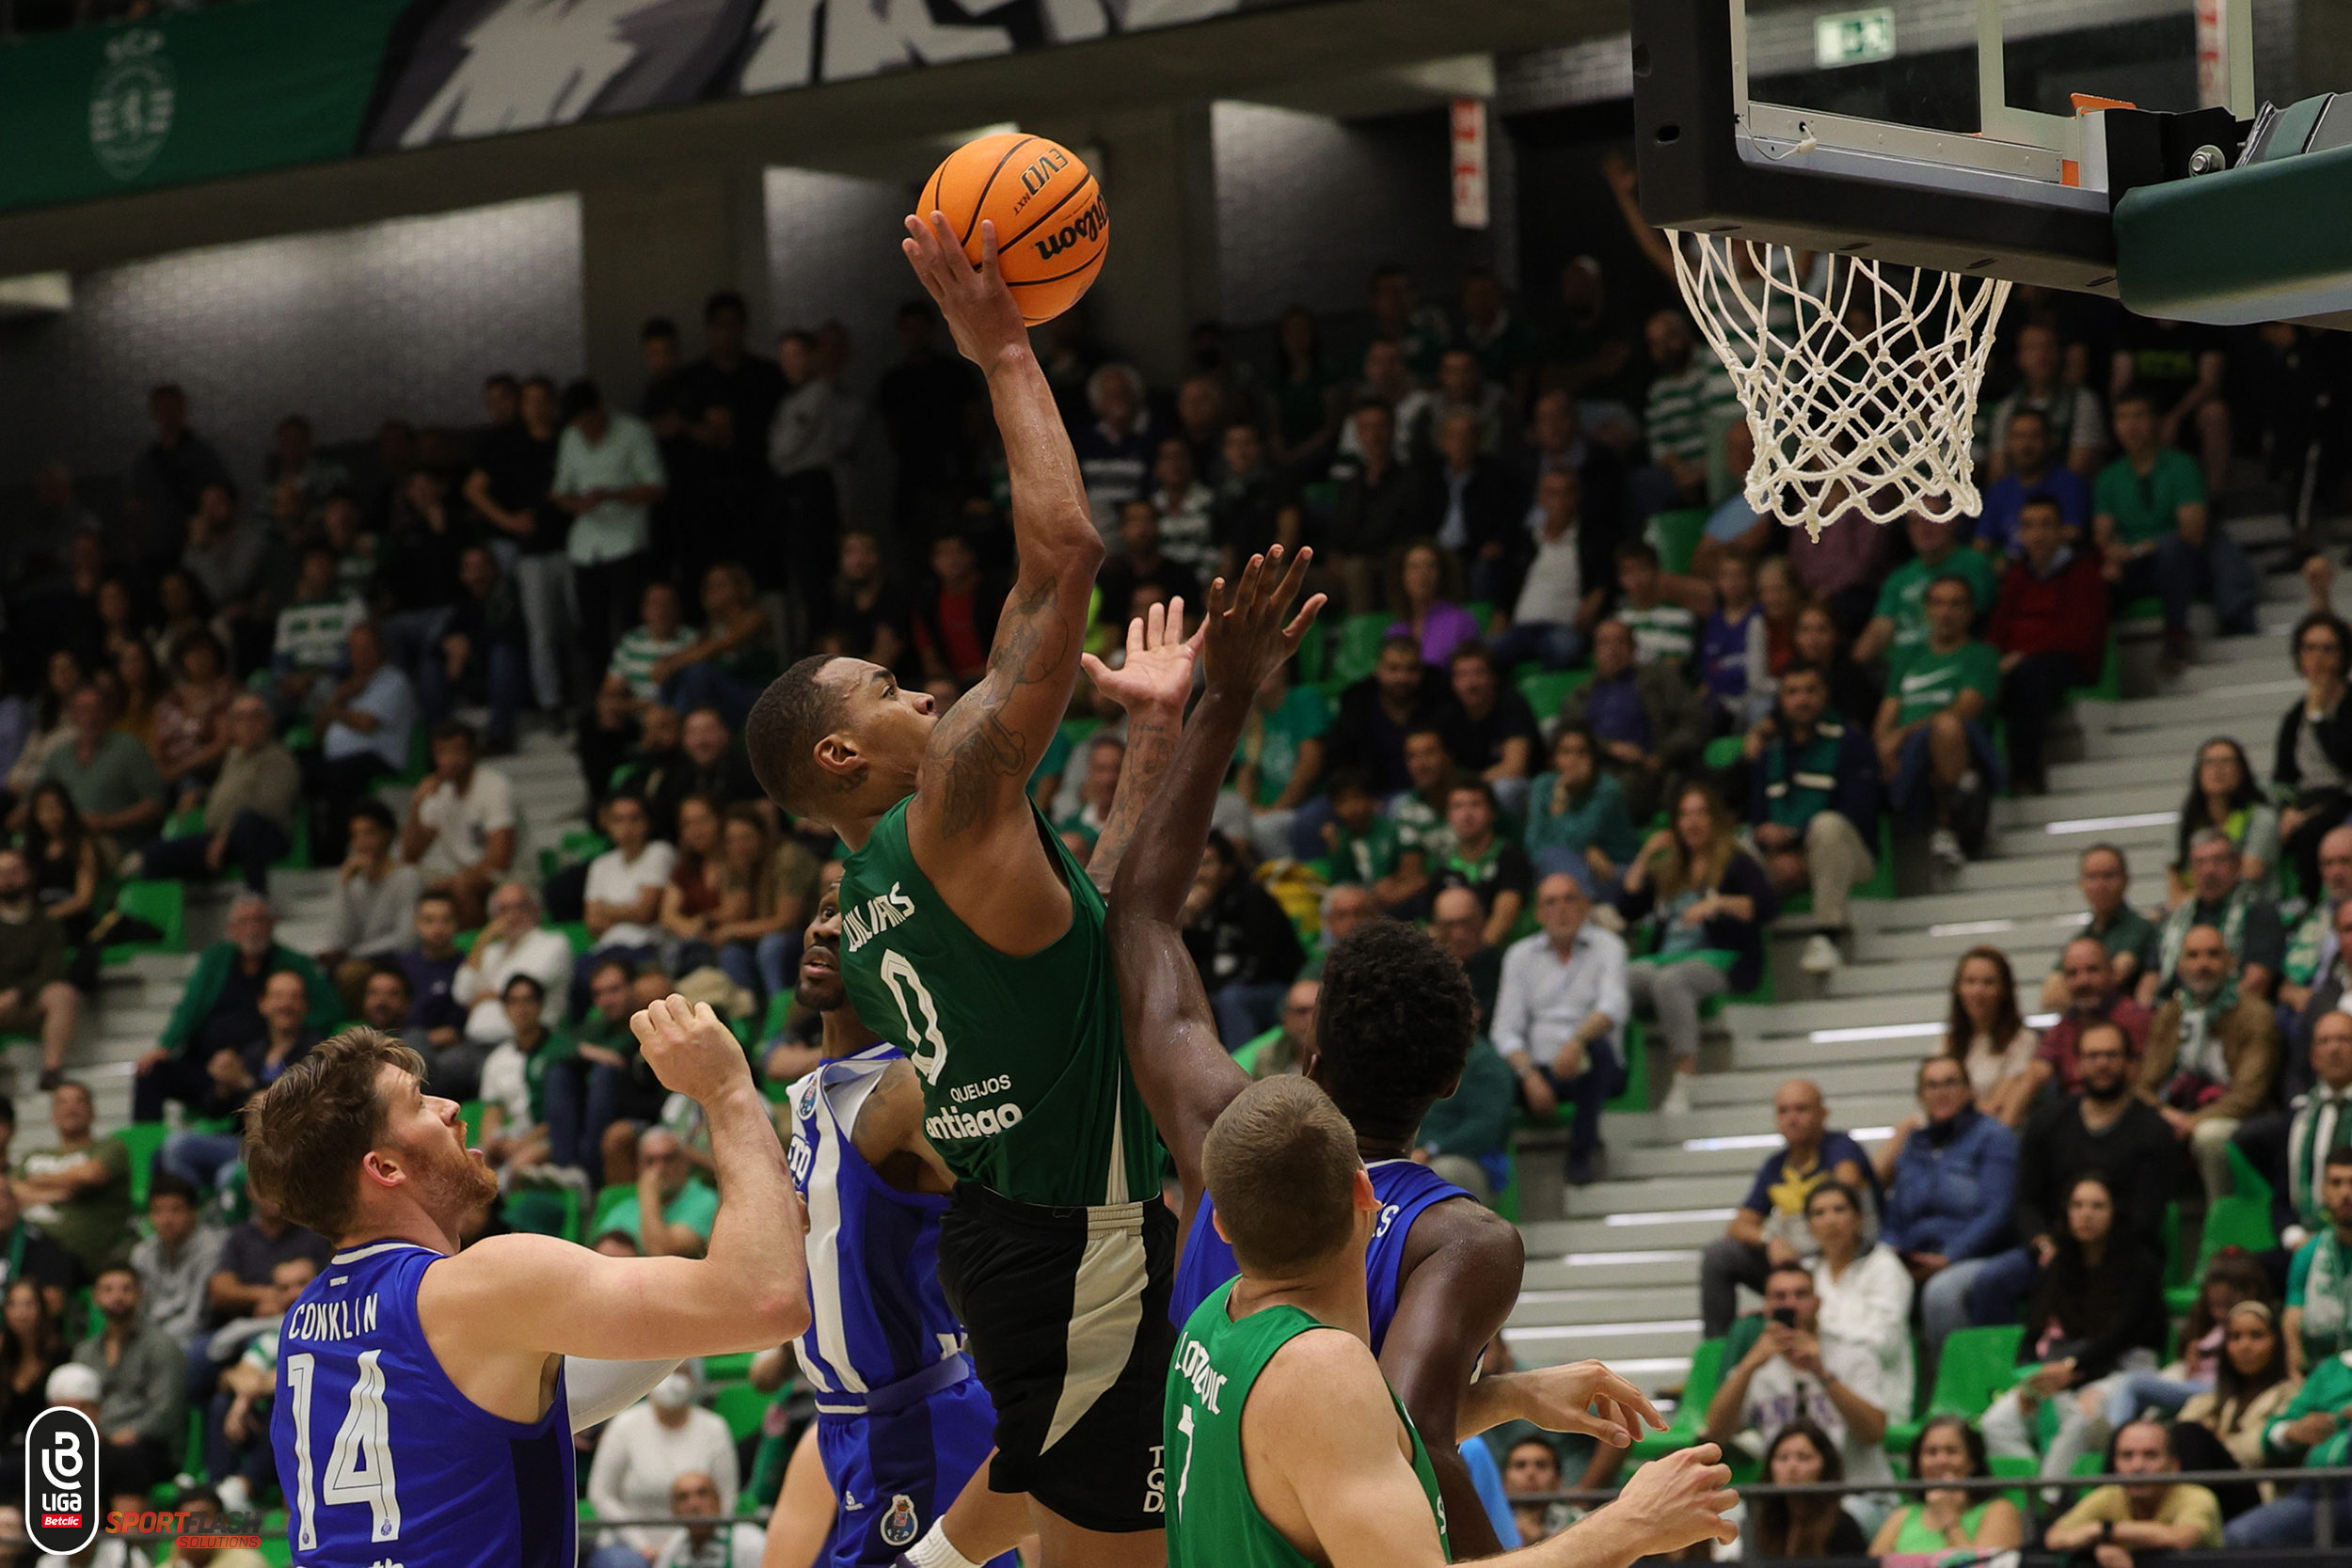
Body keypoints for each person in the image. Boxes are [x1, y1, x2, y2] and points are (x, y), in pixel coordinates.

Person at [742, 214, 1199, 1565]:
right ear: (843, 753)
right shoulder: (943, 804)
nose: (923, 688)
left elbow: (1093, 941)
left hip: (1022, 1239)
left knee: (1052, 1526)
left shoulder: (878, 908)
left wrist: (1154, 741)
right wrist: (1000, 344)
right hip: (1073, 1242)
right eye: (886, 691)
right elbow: (1061, 557)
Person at [1106, 557, 1628, 1560]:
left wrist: (1225, 697)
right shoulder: (1462, 1239)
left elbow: (1140, 914)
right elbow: (1404, 1428)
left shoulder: (1228, 1142)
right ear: (1448, 1079)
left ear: (1311, 1046)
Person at [252, 990, 805, 1565]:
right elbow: (766, 1301)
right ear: (385, 1168)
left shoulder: (305, 1325)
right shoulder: (482, 1286)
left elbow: (508, 1422)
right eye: (418, 1103)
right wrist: (727, 1090)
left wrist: (752, 1243)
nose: (451, 1108)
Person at [1159, 1079, 1739, 1568]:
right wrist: (1629, 1525)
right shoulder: (1318, 1369)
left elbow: (1322, 1453)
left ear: (1225, 1227)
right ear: (1367, 1192)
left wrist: (1511, 1395)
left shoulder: (1216, 1316)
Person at [781, 879, 1025, 1568]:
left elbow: (1030, 1223)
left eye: (852, 923)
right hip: (850, 1421)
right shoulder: (810, 1090)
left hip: (915, 1416)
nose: (827, 929)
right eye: (825, 909)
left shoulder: (912, 1089)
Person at [1967, 1021, 2176, 1325]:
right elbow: (2026, 1200)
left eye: (2112, 1055)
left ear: (2131, 1065)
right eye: (2092, 1056)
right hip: (2051, 1250)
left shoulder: (2153, 1131)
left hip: (2121, 1256)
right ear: (2077, 1065)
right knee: (1991, 1282)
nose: (2102, 1064)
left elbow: (2146, 1216)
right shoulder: (2047, 1121)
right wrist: (2042, 1243)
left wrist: (2086, 1250)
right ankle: (2012, 1367)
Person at [1980, 1174, 2168, 1480]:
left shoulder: (2140, 1266)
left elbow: (2123, 1334)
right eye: (2077, 1205)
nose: (2086, 1214)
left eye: (2097, 1206)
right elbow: (2032, 1336)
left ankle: (2050, 1500)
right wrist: (2030, 1380)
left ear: (2115, 1212)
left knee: (2078, 1420)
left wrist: (2073, 1367)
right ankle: (2031, 1487)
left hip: (2119, 1371)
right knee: (1996, 1422)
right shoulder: (2055, 1267)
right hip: (2060, 1375)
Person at [1618, 783, 1774, 1115]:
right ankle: (1615, 1070)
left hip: (1719, 958)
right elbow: (1626, 906)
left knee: (1670, 982)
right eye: (1684, 815)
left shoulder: (1736, 861)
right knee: (1616, 979)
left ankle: (1684, 1078)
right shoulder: (1670, 867)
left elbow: (1765, 905)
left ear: (1715, 819)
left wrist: (1717, 904)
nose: (1692, 822)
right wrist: (1645, 856)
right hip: (1666, 956)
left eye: (1700, 813)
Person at [1702, 1261, 1901, 1517]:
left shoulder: (1855, 1356)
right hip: (1784, 1504)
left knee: (1841, 1520)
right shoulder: (1756, 1365)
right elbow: (1715, 1433)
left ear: (1818, 1303)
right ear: (1766, 1307)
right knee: (1728, 1519)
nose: (1790, 1304)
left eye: (1800, 1294)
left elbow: (1873, 1432)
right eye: (1779, 1296)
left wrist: (1821, 1373)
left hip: (1856, 1497)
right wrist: (1749, 1365)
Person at [2096, 387, 2257, 671]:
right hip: (2134, 567)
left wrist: (2136, 549)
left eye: (2139, 416)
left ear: (2156, 421)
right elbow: (2102, 536)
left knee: (2173, 550)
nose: (2131, 426)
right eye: (2122, 418)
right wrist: (2111, 555)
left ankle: (2176, 636)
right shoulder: (2108, 478)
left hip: (2179, 561)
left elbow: (2191, 534)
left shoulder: (2181, 467)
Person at [1698, 1081, 1872, 1338]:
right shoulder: (1775, 1166)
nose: (1792, 1118)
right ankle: (1717, 1347)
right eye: (1784, 1111)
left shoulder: (1841, 1148)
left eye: (1801, 1109)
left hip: (1841, 1259)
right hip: (1796, 1262)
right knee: (1720, 1256)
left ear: (1823, 1114)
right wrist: (1770, 1241)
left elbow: (1842, 1196)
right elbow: (1738, 1226)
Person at [1743, 659, 1881, 975]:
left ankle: (1827, 936)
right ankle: (1740, 951)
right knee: (1735, 846)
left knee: (1827, 826)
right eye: (1792, 692)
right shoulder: (1770, 751)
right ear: (1781, 700)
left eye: (1810, 691)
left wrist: (1793, 838)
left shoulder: (1851, 742)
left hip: (1847, 856)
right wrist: (1775, 849)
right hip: (1785, 862)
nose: (1801, 700)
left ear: (1824, 696)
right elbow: (1758, 818)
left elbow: (1857, 813)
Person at [1874, 1055, 2019, 1350]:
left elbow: (1999, 1211)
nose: (1941, 1092)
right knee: (1870, 1283)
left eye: (1951, 1083)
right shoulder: (1913, 1145)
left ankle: (1954, 1390)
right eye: (1932, 1085)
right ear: (1921, 1096)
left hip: (1977, 1256)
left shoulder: (1993, 1137)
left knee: (1941, 1292)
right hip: (1917, 1257)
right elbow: (1895, 1217)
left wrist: (1950, 1256)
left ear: (1969, 1090)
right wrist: (1889, 1252)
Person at [1493, 875, 1629, 1186]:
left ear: (1585, 906)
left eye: (1570, 899)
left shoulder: (1609, 947)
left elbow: (1613, 1006)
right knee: (1489, 1067)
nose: (1561, 910)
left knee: (1597, 1053)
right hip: (1540, 1070)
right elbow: (1505, 1029)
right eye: (1550, 902)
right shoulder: (1519, 956)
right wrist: (1529, 1074)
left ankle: (1581, 1156)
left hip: (1594, 1063)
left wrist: (1577, 1042)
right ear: (1538, 914)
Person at [2137, 922, 2280, 1200]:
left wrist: (2192, 1122)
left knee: (2209, 1136)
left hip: (2237, 1117)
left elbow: (2249, 1095)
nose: (2203, 964)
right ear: (2179, 965)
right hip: (2176, 1112)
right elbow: (2143, 1086)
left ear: (2230, 962)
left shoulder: (2255, 1014)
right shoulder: (2169, 1014)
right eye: (2193, 955)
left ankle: (2221, 1227)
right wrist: (2168, 1115)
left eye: (2213, 954)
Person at [1874, 575, 1998, 868]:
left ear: (1969, 613)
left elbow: (1965, 708)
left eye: (1955, 605)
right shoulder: (1907, 657)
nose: (1946, 612)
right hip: (1908, 756)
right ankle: (1959, 805)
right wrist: (1883, 747)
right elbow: (1886, 716)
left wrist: (1900, 736)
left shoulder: (1981, 656)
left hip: (1964, 747)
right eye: (1938, 603)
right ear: (1927, 610)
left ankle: (1948, 823)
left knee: (1945, 727)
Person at [157, 970, 320, 1191]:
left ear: (305, 1005)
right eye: (278, 996)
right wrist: (223, 1085)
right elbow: (215, 1111)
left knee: (230, 1176)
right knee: (176, 1145)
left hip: (290, 1148)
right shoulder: (254, 1051)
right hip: (241, 1143)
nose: (286, 1004)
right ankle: (191, 1216)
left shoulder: (316, 1053)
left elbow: (297, 1106)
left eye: (294, 997)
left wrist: (244, 1082)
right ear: (263, 1004)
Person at [1992, 496, 2111, 793]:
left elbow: (2079, 634)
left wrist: (2023, 653)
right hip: (2019, 661)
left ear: (2062, 530)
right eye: (2029, 526)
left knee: (2029, 677)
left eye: (2046, 525)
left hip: (2066, 662)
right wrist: (1990, 660)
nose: (2037, 534)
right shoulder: (2018, 574)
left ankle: (2026, 776)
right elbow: (1999, 627)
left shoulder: (2082, 571)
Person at [554, 378, 668, 689]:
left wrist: (612, 495)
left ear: (601, 407)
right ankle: (602, 700)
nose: (585, 429)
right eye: (578, 423)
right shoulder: (570, 438)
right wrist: (575, 503)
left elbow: (656, 487)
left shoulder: (634, 432)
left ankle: (638, 691)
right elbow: (560, 490)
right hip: (585, 546)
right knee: (592, 630)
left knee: (631, 624)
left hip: (627, 543)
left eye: (588, 420)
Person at [584, 1368, 740, 1568]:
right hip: (627, 1548)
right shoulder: (623, 1426)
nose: (671, 1378)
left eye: (681, 1371)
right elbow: (601, 1494)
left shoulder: (714, 1428)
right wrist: (641, 1545)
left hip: (697, 1547)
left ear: (695, 1379)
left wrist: (675, 1546)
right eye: (663, 1369)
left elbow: (726, 1499)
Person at [1558, 618, 1708, 825]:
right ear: (1594, 652)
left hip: (1642, 772)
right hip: (1592, 768)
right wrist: (1609, 747)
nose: (1612, 650)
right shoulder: (1580, 695)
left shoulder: (1660, 679)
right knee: (1544, 788)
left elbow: (1696, 722)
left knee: (1613, 791)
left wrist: (1661, 756)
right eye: (1605, 643)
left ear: (1633, 648)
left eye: (1620, 642)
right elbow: (1565, 736)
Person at [301, 621, 416, 865]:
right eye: (353, 648)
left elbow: (367, 723)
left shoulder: (393, 682)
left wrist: (338, 707)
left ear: (379, 649)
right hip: (337, 759)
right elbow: (316, 731)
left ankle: (336, 854)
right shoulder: (348, 686)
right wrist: (339, 698)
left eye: (364, 648)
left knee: (341, 775)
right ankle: (310, 852)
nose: (357, 655)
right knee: (297, 767)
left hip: (378, 758)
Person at [71, 1264, 188, 1500]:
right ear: (95, 1297)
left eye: (126, 1289)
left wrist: (131, 1433)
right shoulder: (85, 1352)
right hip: (98, 1443)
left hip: (150, 1446)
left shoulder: (161, 1345)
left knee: (120, 1460)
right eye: (108, 1289)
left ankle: (126, 1536)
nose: (117, 1296)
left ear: (140, 1295)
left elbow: (166, 1411)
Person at [1184, 830, 1307, 1050]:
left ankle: (1240, 1074)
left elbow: (1260, 965)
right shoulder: (1200, 904)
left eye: (1208, 864)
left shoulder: (1252, 898)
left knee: (1231, 999)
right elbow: (1193, 964)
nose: (1199, 873)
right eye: (1195, 864)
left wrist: (1214, 992)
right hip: (1227, 989)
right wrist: (1190, 923)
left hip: (1275, 989)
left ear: (1228, 868)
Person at [2043, 1419, 2222, 1560]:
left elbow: (2182, 1538)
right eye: (2127, 1456)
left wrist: (2106, 1532)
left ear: (2174, 1466)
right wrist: (2099, 1549)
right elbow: (2054, 1537)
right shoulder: (2109, 1495)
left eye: (2150, 1455)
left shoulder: (2197, 1497)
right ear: (2116, 1465)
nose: (2137, 1466)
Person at [1487, 467, 1607, 674]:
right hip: (1521, 629)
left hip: (1563, 627)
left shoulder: (1592, 539)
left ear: (1577, 497)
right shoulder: (1524, 541)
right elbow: (1506, 586)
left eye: (1565, 492)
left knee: (1566, 649)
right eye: (1551, 492)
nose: (1558, 500)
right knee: (1482, 655)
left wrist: (1598, 596)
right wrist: (1500, 614)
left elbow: (1606, 578)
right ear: (1540, 497)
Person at [14, 1078, 134, 1277]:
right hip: (24, 1246)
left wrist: (38, 1181)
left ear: (93, 1112)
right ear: (52, 1115)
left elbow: (91, 1175)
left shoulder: (110, 1147)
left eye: (79, 1101)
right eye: (62, 1102)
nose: (71, 1108)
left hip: (76, 1256)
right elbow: (9, 1192)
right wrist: (60, 1191)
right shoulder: (33, 1156)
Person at [2151, 828, 2283, 1005]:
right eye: (2200, 862)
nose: (2209, 870)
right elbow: (2151, 977)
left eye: (2218, 861)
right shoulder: (2174, 918)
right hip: (2176, 1011)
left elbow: (2257, 981)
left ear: (2236, 865)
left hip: (2236, 1012)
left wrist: (2206, 1015)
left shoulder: (2260, 912)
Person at [1852, 512, 1999, 669]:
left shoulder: (1974, 564)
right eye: (1915, 523)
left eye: (1933, 518)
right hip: (1898, 664)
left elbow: (1978, 623)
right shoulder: (1900, 576)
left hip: (1947, 661)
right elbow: (1880, 628)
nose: (1924, 528)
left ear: (1952, 522)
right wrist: (1853, 667)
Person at [2274, 610, 2352, 900]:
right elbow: (2283, 775)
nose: (2317, 657)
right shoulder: (2295, 715)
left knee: (2315, 829)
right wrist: (2286, 810)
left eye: (2327, 648)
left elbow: (2344, 758)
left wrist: (2318, 716)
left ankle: (2310, 903)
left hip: (2342, 797)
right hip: (2306, 799)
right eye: (2309, 648)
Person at [2179, 1299, 2301, 1483]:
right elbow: (2176, 1446)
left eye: (2256, 1335)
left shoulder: (2294, 1395)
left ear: (2276, 1341)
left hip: (2259, 1490)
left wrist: (2213, 1443)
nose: (2244, 1346)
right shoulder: (2208, 1400)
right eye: (2235, 1337)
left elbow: (2258, 1451)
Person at [34, 684, 165, 853]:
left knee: (78, 851)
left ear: (106, 713)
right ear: (72, 714)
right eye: (82, 710)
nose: (90, 717)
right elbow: (34, 799)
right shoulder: (59, 756)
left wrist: (108, 822)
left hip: (112, 842)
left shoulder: (129, 748)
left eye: (95, 710)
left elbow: (156, 803)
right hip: (60, 840)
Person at [1867, 1416, 2025, 1557]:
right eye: (1931, 1452)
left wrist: (1950, 1523)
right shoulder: (1901, 1516)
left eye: (1952, 1451)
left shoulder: (1999, 1511)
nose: (1941, 1461)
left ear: (1972, 1463)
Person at [318, 800, 421, 1012]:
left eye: (370, 833)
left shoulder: (407, 877)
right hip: (361, 957)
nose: (362, 843)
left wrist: (356, 953)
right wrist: (343, 886)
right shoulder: (354, 882)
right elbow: (340, 939)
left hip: (396, 958)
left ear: (389, 834)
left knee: (349, 974)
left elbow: (406, 938)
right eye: (356, 836)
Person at [1523, 724, 1642, 901]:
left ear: (1593, 758)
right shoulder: (1544, 785)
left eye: (1582, 752)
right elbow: (1532, 844)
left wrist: (1561, 803)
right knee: (1551, 857)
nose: (1574, 760)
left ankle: (1583, 910)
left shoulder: (1607, 789)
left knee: (1556, 859)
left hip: (1612, 870)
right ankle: (1588, 911)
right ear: (1554, 759)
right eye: (1566, 753)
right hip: (1571, 868)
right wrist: (1586, 851)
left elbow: (1580, 837)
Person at [2038, 845, 2162, 1012]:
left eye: (2108, 876)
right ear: (2081, 884)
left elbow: (2117, 974)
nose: (2100, 885)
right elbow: (2051, 996)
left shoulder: (2141, 929)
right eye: (2092, 877)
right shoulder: (2082, 937)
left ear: (2126, 880)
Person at [451, 879, 572, 1047]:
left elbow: (526, 989)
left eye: (520, 907)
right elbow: (461, 994)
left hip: (528, 1043)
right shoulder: (489, 951)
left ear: (535, 910)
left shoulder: (553, 943)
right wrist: (483, 939)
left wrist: (482, 997)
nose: (512, 915)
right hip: (475, 1041)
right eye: (503, 910)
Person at [1432, 643, 1541, 823]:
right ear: (1453, 682)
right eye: (1462, 675)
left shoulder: (1511, 704)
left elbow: (1515, 767)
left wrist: (1470, 786)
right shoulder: (1447, 716)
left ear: (1493, 677)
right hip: (1475, 789)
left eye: (1478, 674)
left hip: (1523, 788)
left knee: (1504, 789)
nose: (1470, 683)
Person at [0, 849, 79, 1091]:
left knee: (62, 993)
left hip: (28, 1002)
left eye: (14, 871)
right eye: (1, 873)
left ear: (29, 875)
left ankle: (51, 1070)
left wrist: (18, 993)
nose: (7, 879)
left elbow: (52, 968)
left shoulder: (47, 923)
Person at [1987, 322, 2106, 482]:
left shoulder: (2083, 401)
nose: (2041, 356)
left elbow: (2079, 469)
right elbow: (1998, 470)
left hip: (2068, 496)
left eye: (2048, 347)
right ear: (2019, 357)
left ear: (2060, 353)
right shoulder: (2007, 408)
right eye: (2032, 348)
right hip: (2018, 495)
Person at [1940, 946, 2041, 1126]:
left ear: (2003, 990)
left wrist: (1951, 1109)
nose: (1977, 991)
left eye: (1988, 983)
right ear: (1958, 988)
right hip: (1950, 1128)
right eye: (1970, 982)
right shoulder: (1948, 1041)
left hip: (1988, 1131)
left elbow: (1997, 1106)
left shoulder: (2022, 1040)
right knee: (1907, 1126)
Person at [2172, 737, 2280, 904]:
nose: (2218, 770)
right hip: (2198, 913)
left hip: (2251, 908)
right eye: (2209, 763)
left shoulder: (2261, 818)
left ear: (2241, 770)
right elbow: (2175, 894)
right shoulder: (2187, 823)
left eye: (2227, 762)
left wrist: (2196, 895)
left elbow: (2249, 874)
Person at [1979, 405, 2094, 558]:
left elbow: (2073, 533)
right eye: (2018, 437)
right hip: (2010, 575)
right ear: (2008, 442)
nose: (2026, 446)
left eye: (2034, 436)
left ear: (2050, 440)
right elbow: (1981, 542)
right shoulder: (1999, 490)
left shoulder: (2071, 485)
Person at [1744, 1421, 1869, 1558]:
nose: (1792, 1466)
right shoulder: (1759, 1524)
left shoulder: (1843, 1527)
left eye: (1803, 1457)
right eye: (1783, 1458)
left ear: (1826, 1466)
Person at [1433, 783, 1534, 948]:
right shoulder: (1442, 868)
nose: (1466, 814)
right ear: (1448, 816)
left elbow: (1504, 918)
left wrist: (1478, 959)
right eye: (1458, 806)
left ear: (1492, 813)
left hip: (1500, 953)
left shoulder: (1511, 858)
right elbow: (1433, 926)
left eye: (1475, 804)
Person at [128, 1174, 225, 1345]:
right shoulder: (142, 1253)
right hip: (150, 1339)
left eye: (175, 1210)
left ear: (193, 1212)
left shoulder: (211, 1249)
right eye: (158, 1211)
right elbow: (138, 1312)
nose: (166, 1220)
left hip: (195, 1338)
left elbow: (197, 1318)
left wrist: (153, 1343)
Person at [2283, 1146, 2352, 1372]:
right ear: (2323, 1191)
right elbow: (2293, 1318)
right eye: (2336, 1183)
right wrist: (2296, 1379)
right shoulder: (2308, 1254)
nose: (2345, 1193)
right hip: (2319, 1375)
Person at [1386, 539, 1482, 672]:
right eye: (1413, 567)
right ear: (1402, 576)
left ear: (1441, 575)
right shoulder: (1394, 630)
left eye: (1430, 566)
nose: (1422, 574)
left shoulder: (1461, 621)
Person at [649, 1470, 765, 1568]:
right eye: (683, 1497)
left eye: (702, 1494)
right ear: (674, 1510)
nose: (694, 1504)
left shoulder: (750, 1542)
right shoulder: (673, 1547)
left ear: (718, 1501)